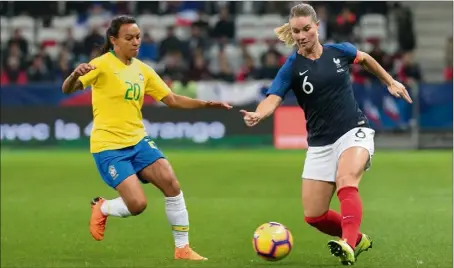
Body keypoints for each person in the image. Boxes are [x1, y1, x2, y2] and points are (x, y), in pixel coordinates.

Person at [240, 3, 412, 266]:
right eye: (296, 31)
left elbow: (364, 59)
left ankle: (347, 243)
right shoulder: (292, 68)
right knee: (314, 215)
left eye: (306, 29)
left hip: (354, 130)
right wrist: (259, 114)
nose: (301, 36)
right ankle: (357, 239)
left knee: (346, 180)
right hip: (320, 143)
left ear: (317, 27)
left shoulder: (338, 51)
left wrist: (390, 81)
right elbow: (273, 98)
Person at [62, 15, 232, 261]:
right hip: (109, 146)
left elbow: (171, 99)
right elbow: (68, 89)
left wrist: (206, 104)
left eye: (138, 37)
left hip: (138, 141)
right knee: (138, 205)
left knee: (171, 183)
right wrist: (74, 75)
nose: (136, 42)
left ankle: (182, 248)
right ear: (114, 40)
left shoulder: (143, 69)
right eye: (129, 38)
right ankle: (104, 207)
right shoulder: (100, 64)